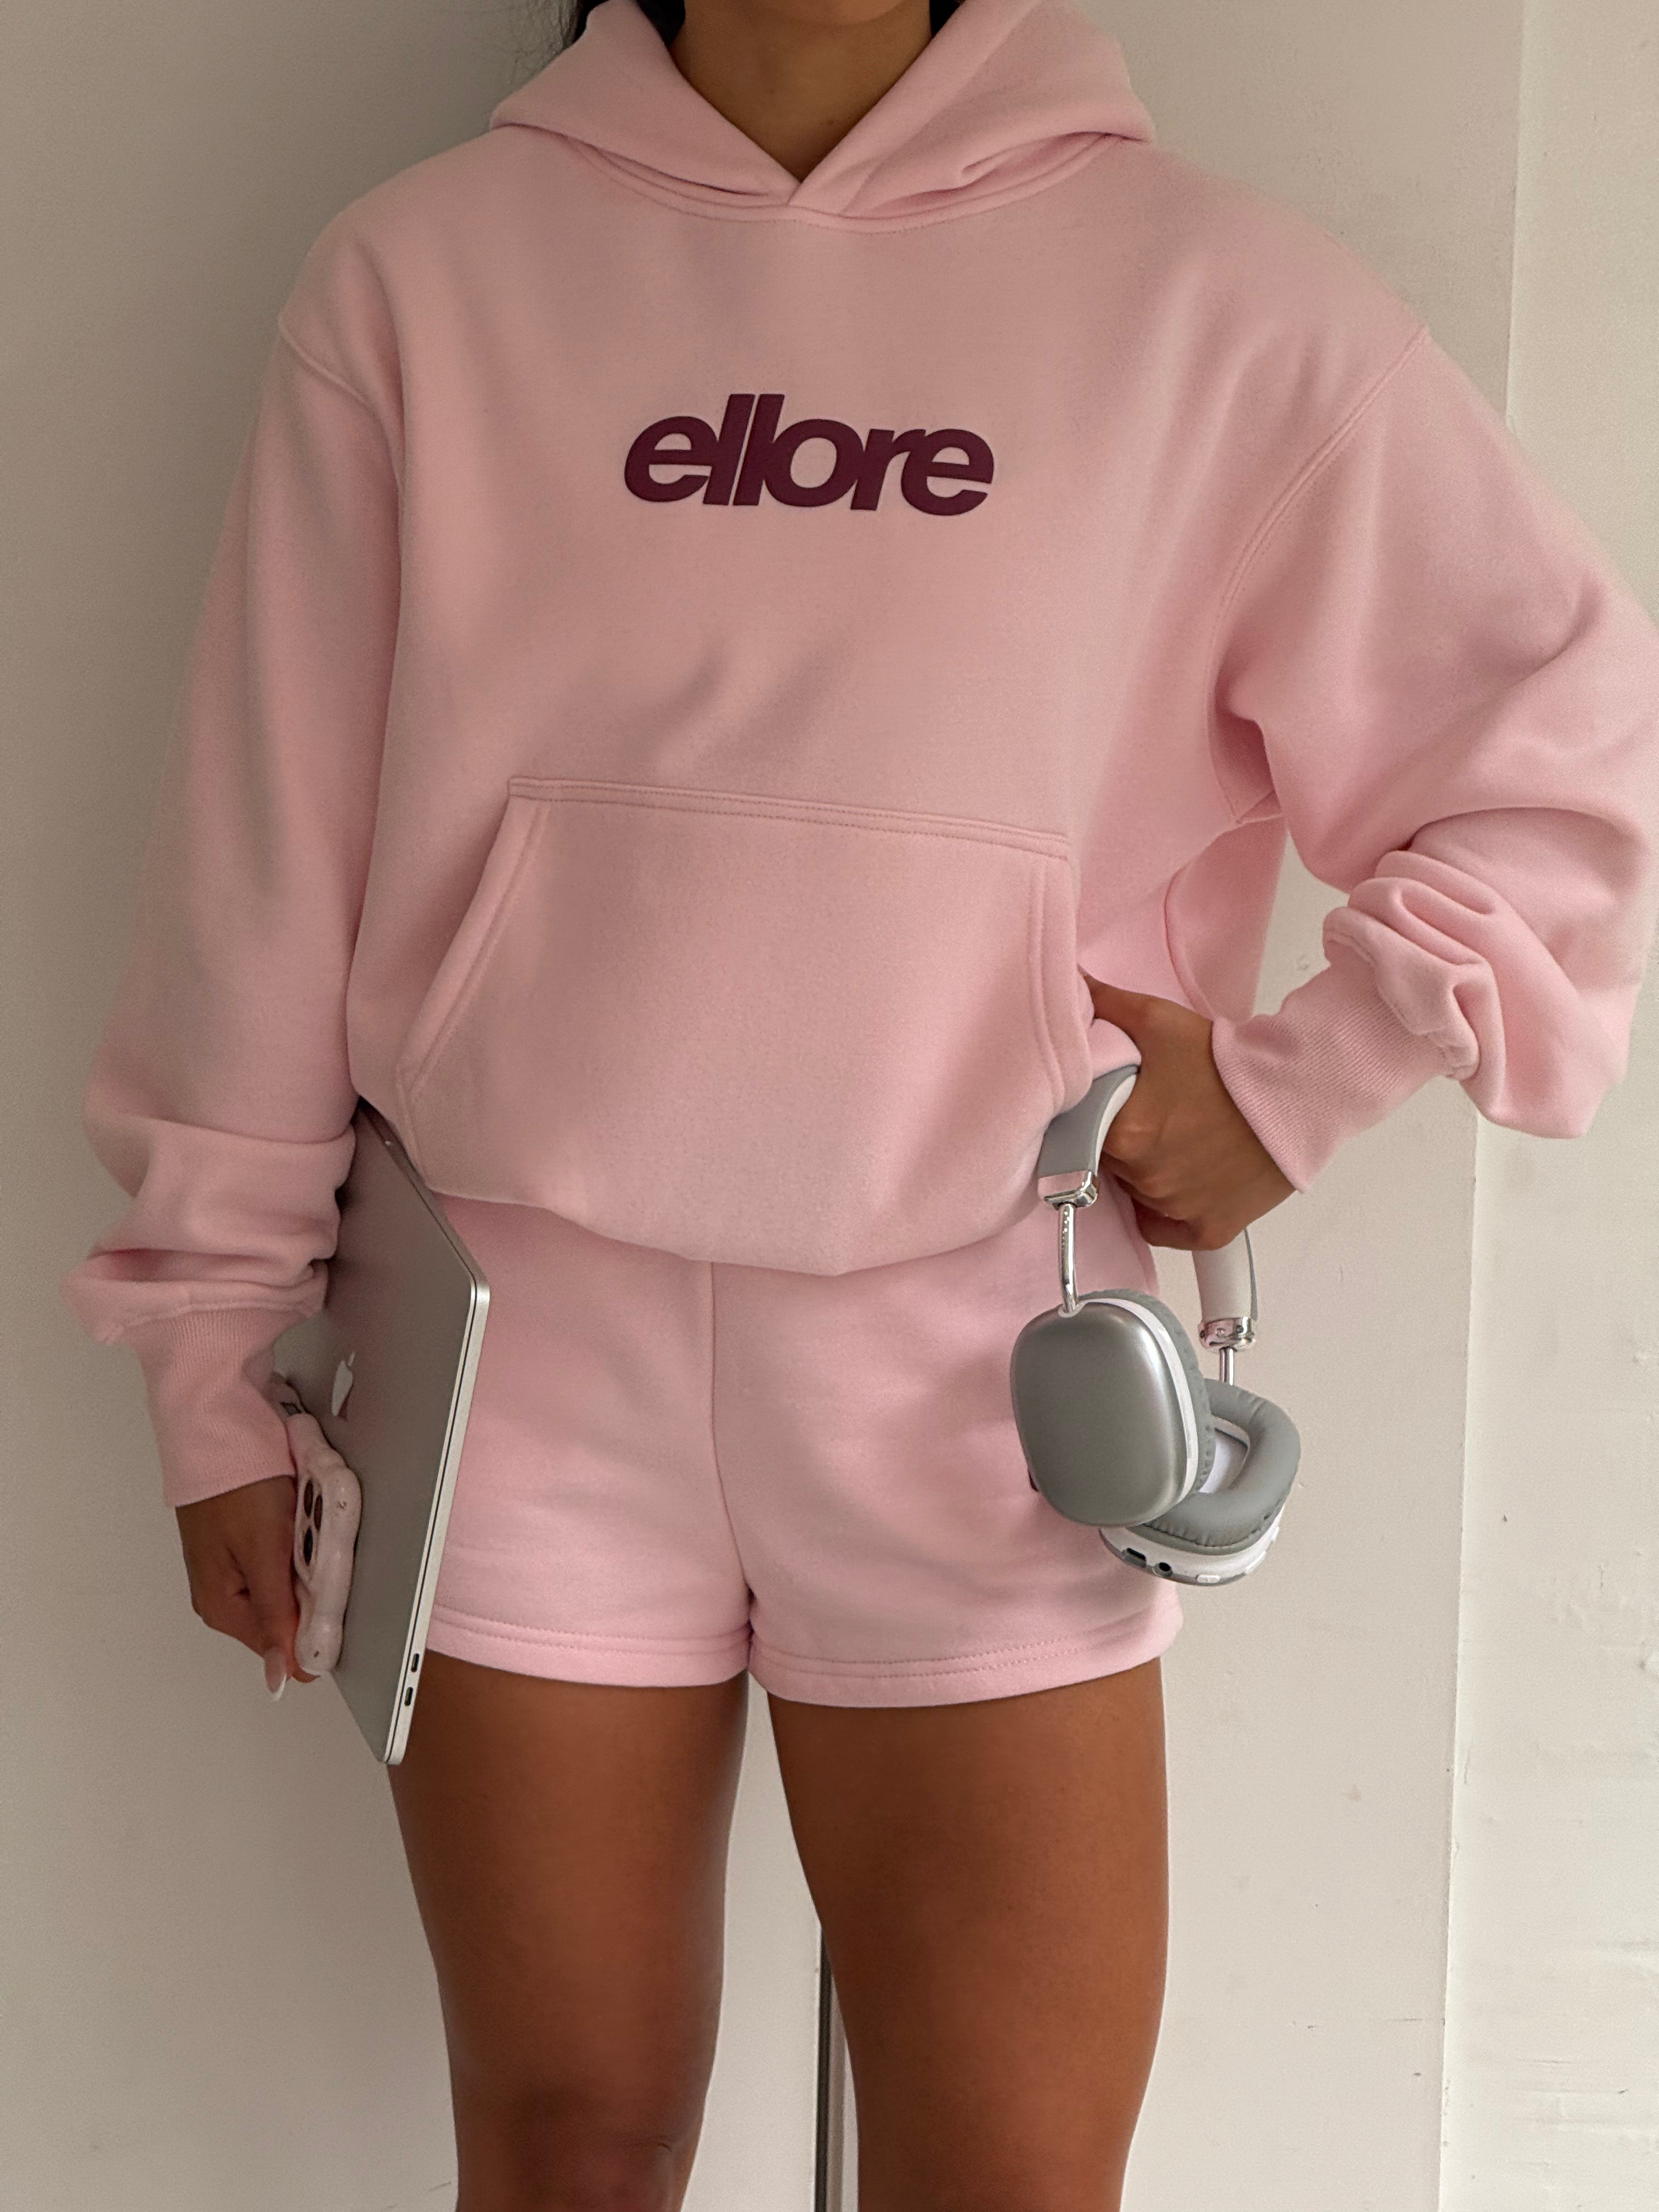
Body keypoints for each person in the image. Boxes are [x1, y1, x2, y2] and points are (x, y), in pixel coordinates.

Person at [60, 0, 1659, 2204]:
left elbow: (1561, 755)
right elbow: (265, 859)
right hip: (521, 1356)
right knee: (565, 2151)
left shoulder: (1220, 309)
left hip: (986, 1365)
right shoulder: (422, 279)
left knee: (1007, 2174)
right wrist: (212, 1355)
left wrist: (1305, 1085)